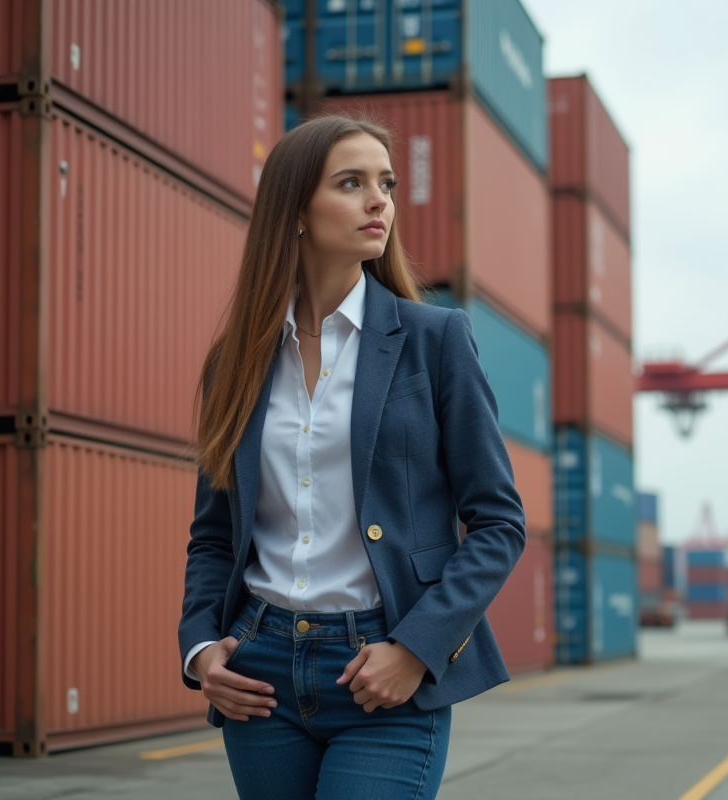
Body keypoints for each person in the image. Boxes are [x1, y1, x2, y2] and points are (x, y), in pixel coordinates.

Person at [178, 114, 525, 800]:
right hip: (260, 673)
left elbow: (497, 523)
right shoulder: (237, 362)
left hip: (383, 673)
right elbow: (215, 535)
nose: (380, 202)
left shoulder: (436, 340)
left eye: (387, 184)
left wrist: (417, 649)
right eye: (352, 183)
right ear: (296, 212)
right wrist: (200, 649)